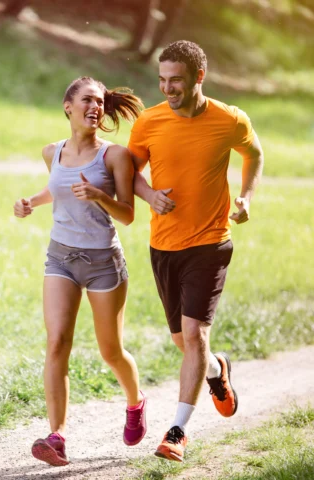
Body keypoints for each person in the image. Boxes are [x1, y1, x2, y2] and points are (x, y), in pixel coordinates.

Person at [128, 40, 264, 462]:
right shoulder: (149, 122)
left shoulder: (228, 119)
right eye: (163, 80)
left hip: (210, 242)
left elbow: (254, 154)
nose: (168, 88)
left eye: (177, 81)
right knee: (182, 341)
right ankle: (216, 371)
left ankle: (177, 431)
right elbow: (129, 173)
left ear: (198, 77)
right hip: (163, 244)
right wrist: (150, 194)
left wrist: (246, 198)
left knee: (193, 335)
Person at [13, 76, 147, 467]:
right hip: (61, 258)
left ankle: (136, 402)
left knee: (111, 351)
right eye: (88, 99)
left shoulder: (114, 156)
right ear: (67, 105)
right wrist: (31, 202)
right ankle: (57, 436)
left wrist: (100, 196)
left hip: (104, 262)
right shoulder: (51, 152)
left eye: (101, 102)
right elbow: (58, 188)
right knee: (56, 343)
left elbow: (128, 215)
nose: (96, 107)